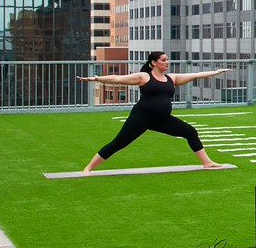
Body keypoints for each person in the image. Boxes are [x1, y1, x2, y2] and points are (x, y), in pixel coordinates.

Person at [75, 53, 229, 172]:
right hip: (141, 118)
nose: (167, 62)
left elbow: (195, 75)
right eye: (163, 60)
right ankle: (88, 168)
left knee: (190, 132)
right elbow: (117, 79)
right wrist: (93, 78)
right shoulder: (144, 77)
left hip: (162, 120)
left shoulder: (171, 78)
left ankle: (207, 163)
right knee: (118, 143)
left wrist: (216, 72)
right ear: (153, 63)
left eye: (167, 60)